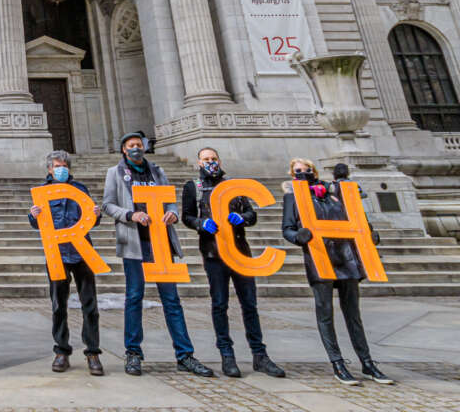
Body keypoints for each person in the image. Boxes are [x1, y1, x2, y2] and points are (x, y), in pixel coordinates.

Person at [102, 132, 214, 378]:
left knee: (172, 300)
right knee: (134, 297)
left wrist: (172, 213)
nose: (135, 149)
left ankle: (185, 354)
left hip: (161, 242)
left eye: (139, 145)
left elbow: (170, 201)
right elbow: (108, 205)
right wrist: (131, 215)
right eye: (131, 146)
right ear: (123, 149)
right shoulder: (115, 173)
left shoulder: (157, 171)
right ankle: (133, 352)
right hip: (135, 243)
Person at [282, 158, 393, 386]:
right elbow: (287, 228)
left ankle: (367, 362)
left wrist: (369, 234)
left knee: (353, 314)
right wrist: (297, 237)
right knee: (325, 314)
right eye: (298, 171)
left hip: (347, 257)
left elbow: (356, 218)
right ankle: (338, 363)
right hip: (320, 258)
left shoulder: (335, 193)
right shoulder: (293, 197)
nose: (304, 173)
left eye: (307, 169)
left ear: (315, 171)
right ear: (292, 175)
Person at [180, 148, 286, 379]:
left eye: (213, 159)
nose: (211, 162)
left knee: (250, 304)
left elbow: (251, 214)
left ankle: (260, 355)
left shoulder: (235, 187)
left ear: (220, 160)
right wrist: (201, 223)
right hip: (213, 254)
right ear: (198, 162)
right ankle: (227, 355)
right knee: (220, 304)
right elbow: (186, 216)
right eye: (206, 159)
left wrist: (243, 218)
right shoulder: (194, 188)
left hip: (240, 252)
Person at [28, 150, 104, 376]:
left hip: (82, 252)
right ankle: (61, 351)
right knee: (58, 304)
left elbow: (92, 221)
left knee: (90, 305)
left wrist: (96, 214)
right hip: (57, 253)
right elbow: (37, 224)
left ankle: (93, 352)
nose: (61, 169)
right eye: (56, 166)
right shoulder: (42, 192)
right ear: (49, 169)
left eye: (64, 165)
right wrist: (33, 215)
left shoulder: (80, 190)